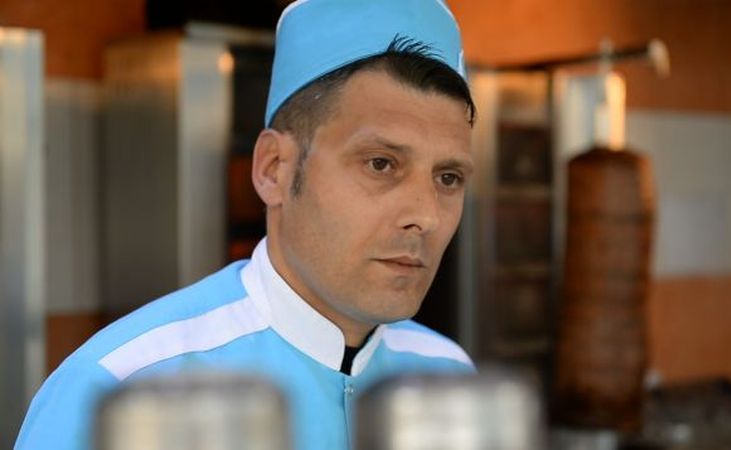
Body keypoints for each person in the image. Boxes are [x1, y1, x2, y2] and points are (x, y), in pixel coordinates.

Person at [15, 0, 476, 449]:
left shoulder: (448, 378)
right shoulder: (121, 390)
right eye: (380, 164)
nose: (426, 215)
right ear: (274, 169)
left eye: (448, 178)